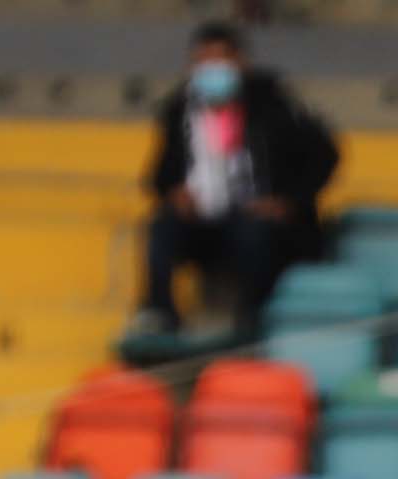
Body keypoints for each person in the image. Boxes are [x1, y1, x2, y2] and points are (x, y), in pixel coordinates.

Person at [132, 21, 341, 337]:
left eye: (220, 60)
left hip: (258, 220)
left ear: (240, 62)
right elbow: (157, 175)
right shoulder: (179, 109)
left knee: (252, 232)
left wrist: (288, 202)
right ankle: (160, 315)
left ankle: (252, 318)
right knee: (161, 226)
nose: (211, 69)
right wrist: (174, 193)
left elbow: (325, 155)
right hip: (202, 220)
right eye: (203, 61)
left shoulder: (276, 104)